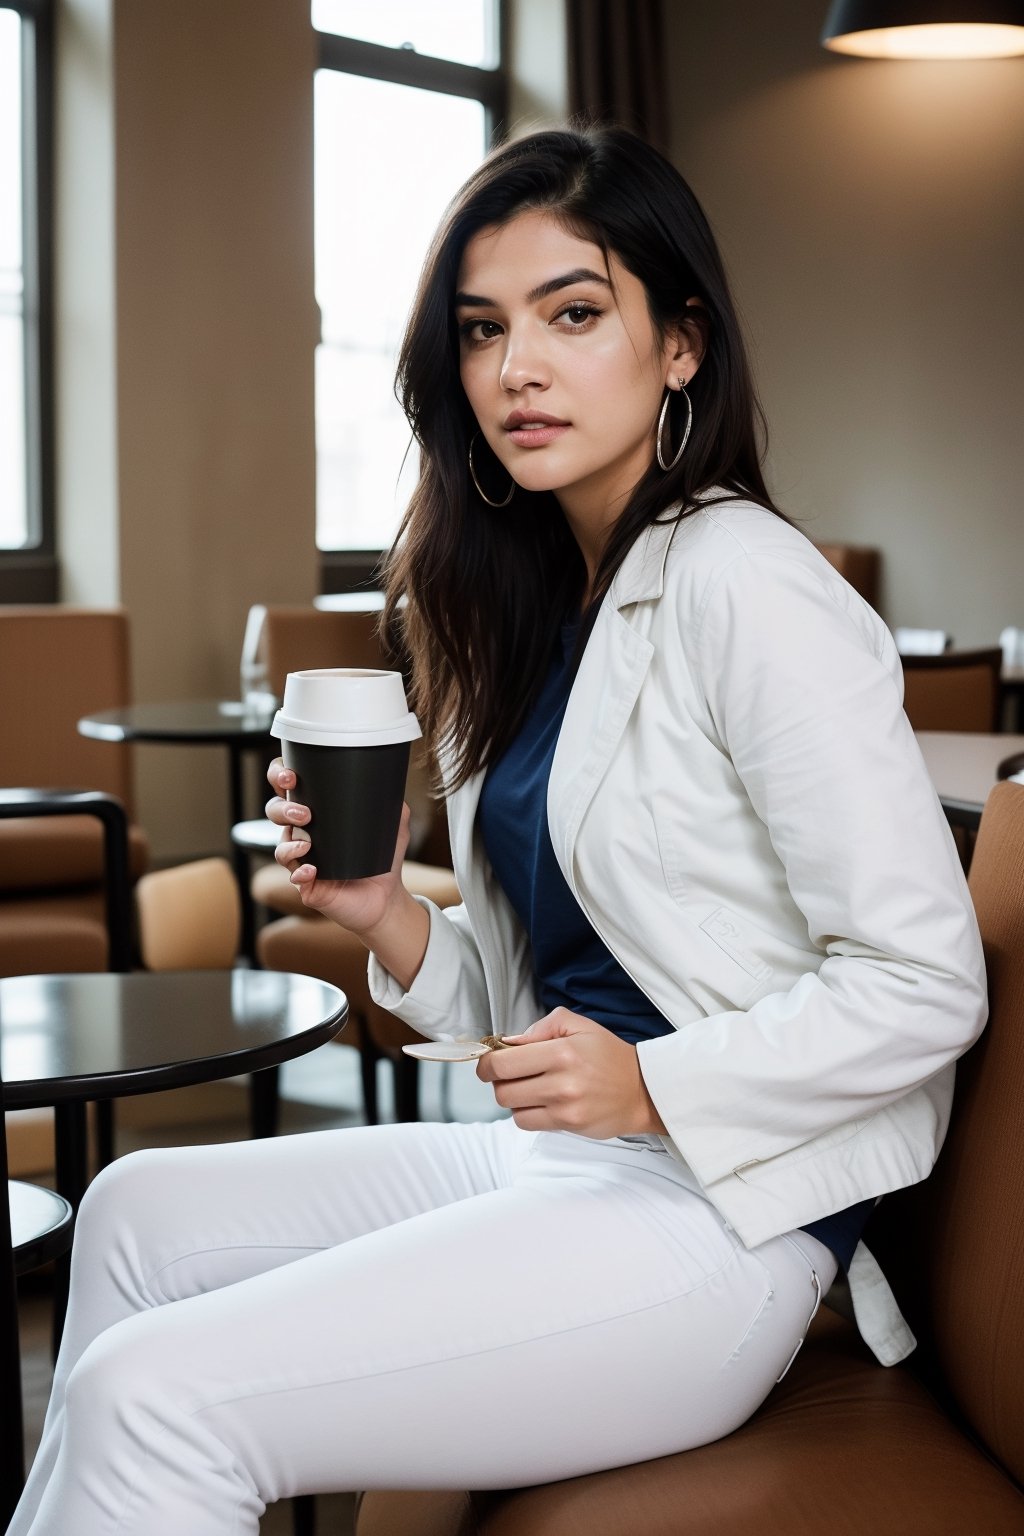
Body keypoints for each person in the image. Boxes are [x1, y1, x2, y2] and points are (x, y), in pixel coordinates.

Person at [11, 125, 986, 1535]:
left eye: (573, 313)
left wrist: (655, 1088)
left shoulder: (744, 582)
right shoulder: (540, 611)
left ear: (682, 345)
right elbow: (562, 1004)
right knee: (135, 1213)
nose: (515, 367)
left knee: (150, 1396)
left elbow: (925, 982)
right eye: (482, 330)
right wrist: (385, 916)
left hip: (721, 1222)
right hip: (565, 1163)